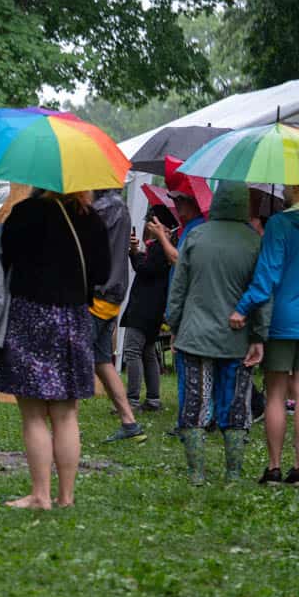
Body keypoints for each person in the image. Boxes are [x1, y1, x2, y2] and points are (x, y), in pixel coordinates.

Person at [0, 190, 110, 509]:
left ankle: (40, 494)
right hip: (73, 318)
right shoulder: (91, 218)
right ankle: (66, 497)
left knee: (33, 413)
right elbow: (102, 274)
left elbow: (5, 258)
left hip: (30, 315)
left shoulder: (25, 213)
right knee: (66, 413)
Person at [231, 185, 299, 487]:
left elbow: (268, 276)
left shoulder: (280, 223)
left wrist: (242, 308)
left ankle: (274, 467)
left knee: (276, 393)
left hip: (283, 318)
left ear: (294, 187)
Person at [166, 183, 268, 485]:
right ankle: (233, 474)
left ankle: (196, 474)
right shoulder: (254, 242)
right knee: (236, 407)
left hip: (194, 335)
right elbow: (262, 294)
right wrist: (259, 336)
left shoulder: (195, 236)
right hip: (237, 340)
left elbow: (178, 289)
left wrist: (174, 325)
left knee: (194, 406)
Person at [89, 189, 146, 444]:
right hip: (112, 296)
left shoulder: (101, 209)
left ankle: (65, 426)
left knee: (75, 360)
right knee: (102, 361)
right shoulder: (120, 206)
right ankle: (129, 422)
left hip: (96, 295)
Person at [148, 191, 205, 435]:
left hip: (191, 310)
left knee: (189, 368)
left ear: (193, 202)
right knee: (184, 365)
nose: (175, 205)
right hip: (183, 309)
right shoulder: (189, 228)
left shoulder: (197, 228)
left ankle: (189, 421)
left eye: (180, 200)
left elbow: (179, 261)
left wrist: (162, 237)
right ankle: (191, 418)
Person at [121, 209, 172, 411]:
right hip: (154, 309)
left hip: (143, 309)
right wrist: (136, 253)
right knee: (149, 353)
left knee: (132, 352)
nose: (146, 227)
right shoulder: (163, 248)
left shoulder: (160, 248)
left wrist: (134, 255)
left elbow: (145, 270)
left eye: (149, 223)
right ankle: (153, 399)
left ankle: (132, 400)